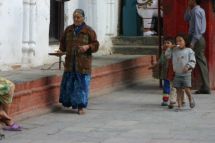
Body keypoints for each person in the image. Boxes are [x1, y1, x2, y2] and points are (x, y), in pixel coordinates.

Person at [58, 9, 99, 115]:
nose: (76, 19)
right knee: (69, 85)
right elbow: (63, 43)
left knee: (81, 86)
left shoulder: (89, 30)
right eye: (74, 17)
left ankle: (80, 107)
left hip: (83, 64)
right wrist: (61, 51)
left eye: (78, 17)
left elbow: (96, 45)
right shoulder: (68, 30)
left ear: (83, 18)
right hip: (70, 63)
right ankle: (70, 103)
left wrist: (88, 46)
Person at [184, 0, 210, 94]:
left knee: (199, 61)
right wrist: (188, 7)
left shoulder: (196, 11)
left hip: (196, 39)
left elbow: (198, 29)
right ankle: (204, 86)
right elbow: (186, 19)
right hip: (196, 38)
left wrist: (193, 42)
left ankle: (205, 86)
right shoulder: (194, 10)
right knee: (199, 61)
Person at [165, 34, 196, 110]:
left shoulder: (189, 51)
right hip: (177, 74)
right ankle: (179, 105)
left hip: (186, 73)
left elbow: (193, 61)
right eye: (177, 41)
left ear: (185, 41)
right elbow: (167, 56)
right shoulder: (174, 50)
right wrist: (169, 48)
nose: (178, 42)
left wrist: (188, 66)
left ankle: (190, 98)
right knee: (178, 89)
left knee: (186, 88)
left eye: (180, 40)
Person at [149, 37, 177, 107]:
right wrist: (154, 65)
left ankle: (175, 99)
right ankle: (165, 100)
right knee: (166, 86)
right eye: (164, 43)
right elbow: (160, 61)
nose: (166, 44)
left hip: (173, 72)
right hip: (165, 73)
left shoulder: (175, 52)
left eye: (168, 43)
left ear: (173, 45)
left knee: (175, 86)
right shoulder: (163, 52)